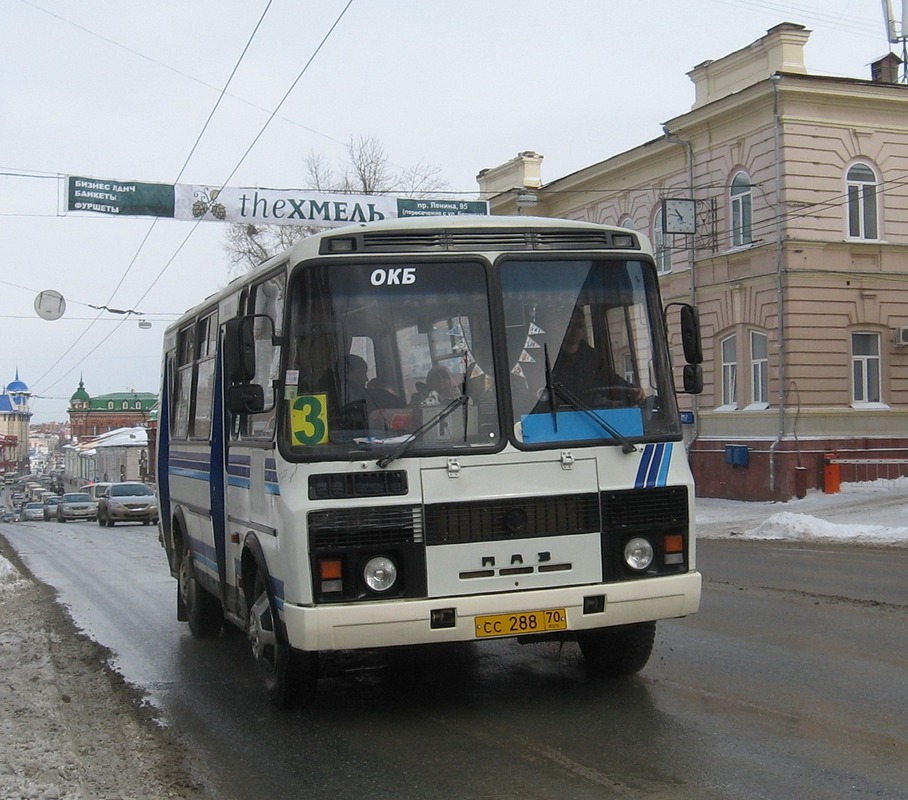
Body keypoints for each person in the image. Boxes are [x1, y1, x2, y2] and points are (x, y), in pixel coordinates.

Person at [551, 308, 645, 406]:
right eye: (570, 325)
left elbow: (610, 381)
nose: (575, 330)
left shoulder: (592, 358)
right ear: (562, 327)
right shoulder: (551, 358)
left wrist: (633, 390)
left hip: (591, 415)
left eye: (579, 325)